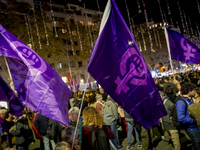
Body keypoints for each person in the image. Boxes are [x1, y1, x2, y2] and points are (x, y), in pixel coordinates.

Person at [176, 82, 200, 150]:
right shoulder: (181, 102)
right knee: (197, 145)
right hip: (191, 128)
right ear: (189, 92)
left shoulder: (191, 99)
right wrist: (195, 120)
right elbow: (181, 118)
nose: (195, 91)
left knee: (196, 145)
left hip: (195, 127)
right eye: (194, 90)